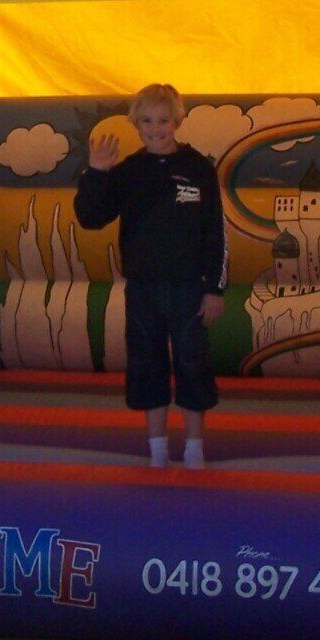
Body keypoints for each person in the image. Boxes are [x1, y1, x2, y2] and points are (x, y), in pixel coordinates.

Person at [73, 83, 227, 469]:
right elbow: (91, 218)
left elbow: (216, 233)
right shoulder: (128, 172)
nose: (155, 129)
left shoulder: (198, 169)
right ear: (135, 125)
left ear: (176, 122)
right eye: (146, 121)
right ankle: (157, 448)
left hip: (190, 288)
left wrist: (215, 288)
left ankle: (194, 447)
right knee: (146, 362)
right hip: (143, 289)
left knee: (193, 362)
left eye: (163, 120)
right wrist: (95, 173)